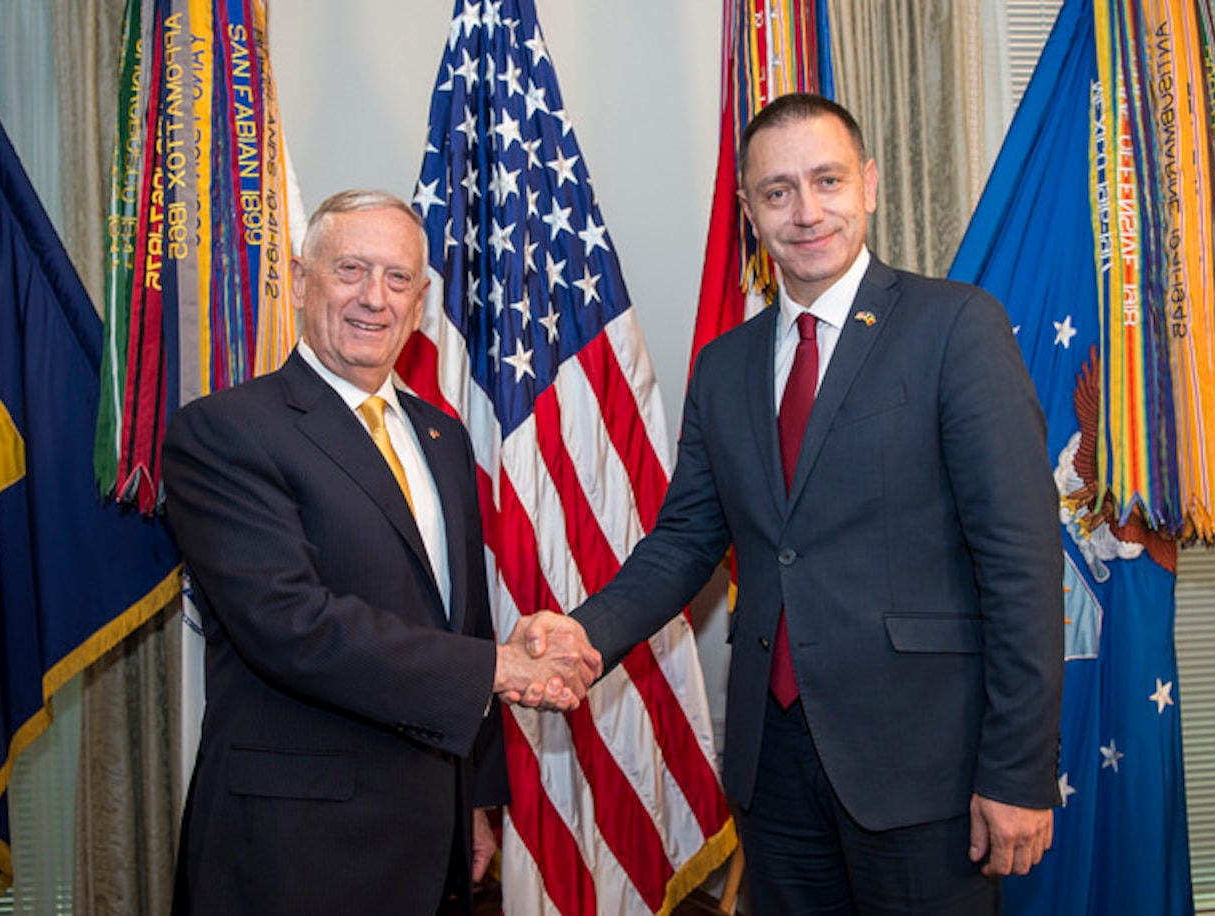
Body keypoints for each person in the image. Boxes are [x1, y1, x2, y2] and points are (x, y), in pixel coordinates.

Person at [535, 94, 1064, 913]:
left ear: (872, 184)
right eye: (778, 192)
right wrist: (584, 631)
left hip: (924, 769)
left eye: (827, 180)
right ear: (750, 210)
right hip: (772, 768)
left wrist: (1020, 768)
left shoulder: (955, 327)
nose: (807, 211)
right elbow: (685, 541)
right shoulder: (725, 366)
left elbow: (1021, 564)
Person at [162, 190, 600, 916]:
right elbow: (290, 625)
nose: (375, 297)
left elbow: (460, 622)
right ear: (302, 281)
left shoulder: (443, 438)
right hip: (293, 846)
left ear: (422, 299)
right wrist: (501, 666)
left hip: (429, 835)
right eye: (351, 270)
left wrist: (479, 798)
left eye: (398, 279)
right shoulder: (225, 432)